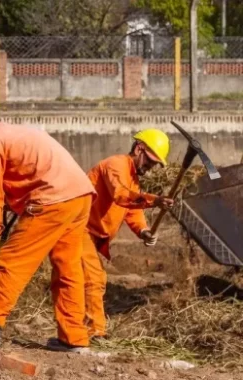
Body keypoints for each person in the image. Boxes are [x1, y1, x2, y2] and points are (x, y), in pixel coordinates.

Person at [0, 91, 97, 353]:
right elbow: (23, 175)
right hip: (79, 195)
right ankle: (73, 337)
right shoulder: (17, 132)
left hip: (52, 199)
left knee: (11, 261)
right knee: (67, 268)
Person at [83, 128, 174, 340]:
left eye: (154, 165)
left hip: (94, 237)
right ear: (139, 148)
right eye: (150, 161)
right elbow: (121, 196)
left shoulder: (133, 178)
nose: (150, 168)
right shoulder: (116, 165)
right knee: (94, 279)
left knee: (81, 280)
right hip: (80, 230)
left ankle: (78, 326)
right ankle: (94, 331)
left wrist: (143, 231)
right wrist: (155, 200)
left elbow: (132, 210)